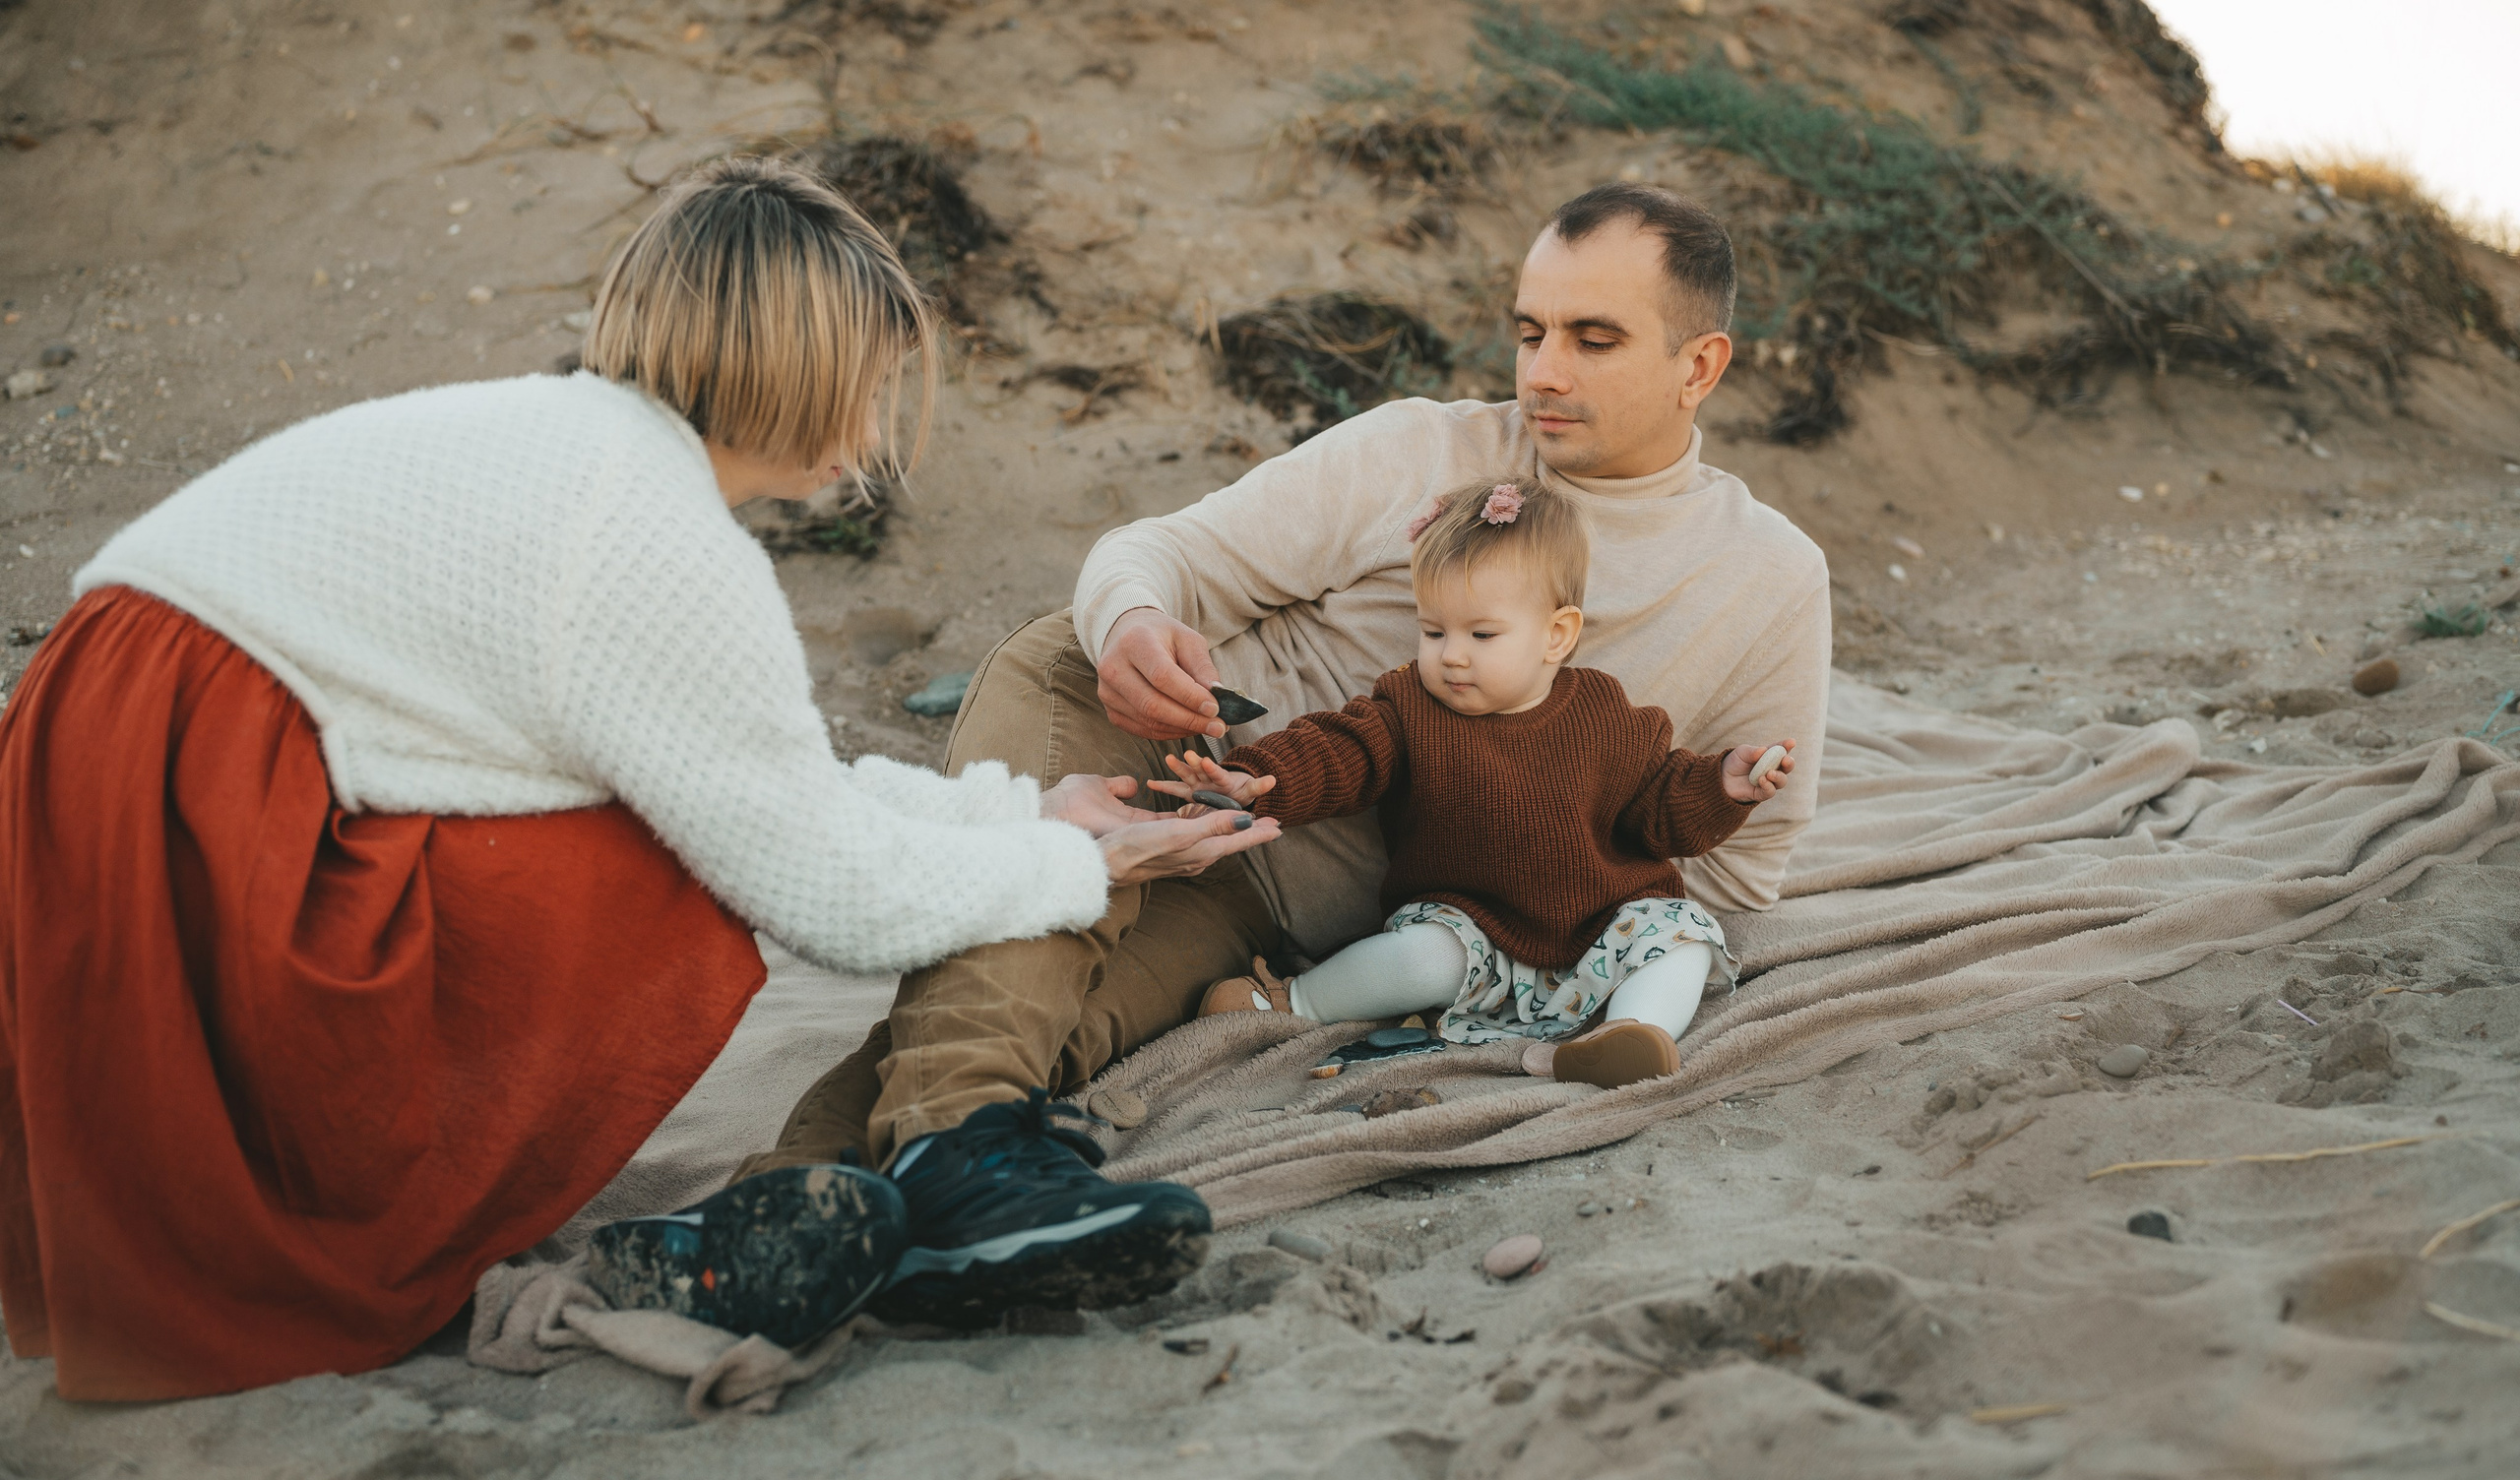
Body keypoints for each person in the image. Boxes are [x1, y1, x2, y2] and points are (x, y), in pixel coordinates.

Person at [0, 155, 1271, 1401]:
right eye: (874, 385)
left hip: (119, 740)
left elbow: (765, 777)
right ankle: (367, 1235)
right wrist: (1073, 863)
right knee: (662, 870)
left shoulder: (573, 453)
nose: (880, 432)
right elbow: (818, 881)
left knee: (672, 822)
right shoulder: (646, 531)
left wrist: (1020, 813)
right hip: (181, 780)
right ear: (798, 369)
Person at [741, 182, 1831, 1288]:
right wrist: (1132, 626)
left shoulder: (1768, 577)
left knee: (1045, 1018)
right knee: (1035, 902)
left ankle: (789, 1213)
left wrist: (1517, 927)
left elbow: (1738, 868)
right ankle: (966, 1176)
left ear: (1699, 365)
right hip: (1133, 726)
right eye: (1529, 331)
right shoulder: (1419, 449)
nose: (1543, 370)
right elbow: (1160, 552)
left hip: (1263, 891)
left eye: (1593, 339)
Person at [1162, 475, 1795, 1089]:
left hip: (1606, 929)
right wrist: (1251, 778)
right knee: (1417, 960)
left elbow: (1661, 805)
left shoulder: (1604, 712)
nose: (1452, 654)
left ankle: (1629, 1034)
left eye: (1481, 634)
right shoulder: (1410, 708)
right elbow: (1336, 752)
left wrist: (1721, 787)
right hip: (1472, 936)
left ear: (1557, 634)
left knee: (1681, 937)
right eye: (1433, 631)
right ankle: (1293, 1002)